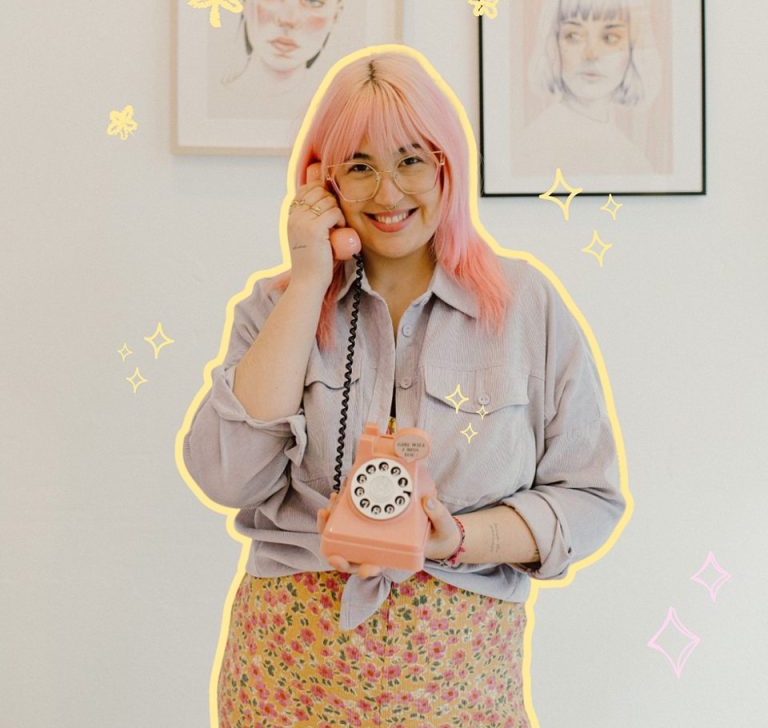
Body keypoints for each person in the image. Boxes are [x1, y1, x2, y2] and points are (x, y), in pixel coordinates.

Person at [181, 47, 627, 727]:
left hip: (459, 689)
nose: (387, 193)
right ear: (322, 181)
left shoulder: (525, 307)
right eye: (359, 166)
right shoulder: (274, 308)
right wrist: (308, 280)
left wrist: (456, 538)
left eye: (411, 160)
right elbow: (226, 477)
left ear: (448, 167)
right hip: (289, 682)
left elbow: (589, 498)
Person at [514, 0, 662, 178]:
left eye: (610, 38)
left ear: (633, 49)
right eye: (574, 36)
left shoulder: (628, 154)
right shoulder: (537, 146)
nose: (592, 54)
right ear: (554, 44)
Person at [211, 0, 344, 125]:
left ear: (336, 15)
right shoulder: (216, 100)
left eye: (313, 1)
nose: (288, 19)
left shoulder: (335, 112)